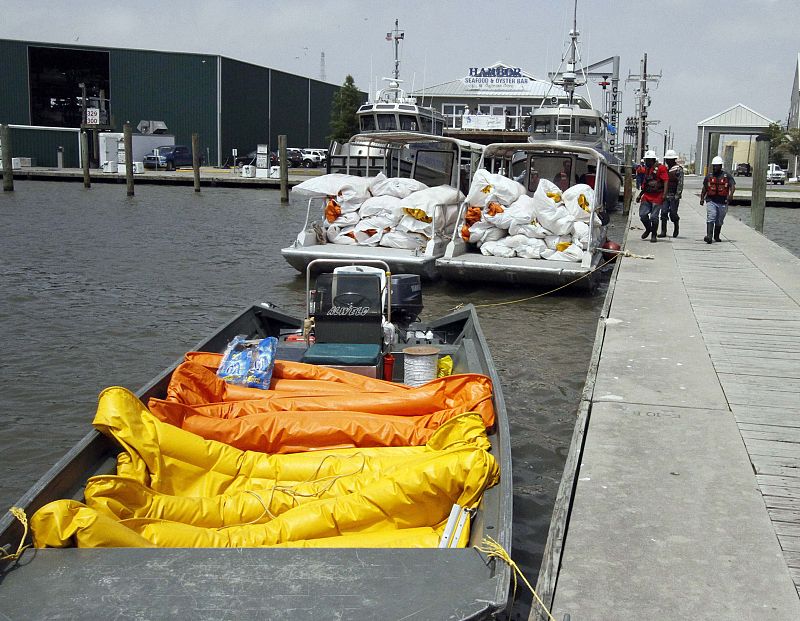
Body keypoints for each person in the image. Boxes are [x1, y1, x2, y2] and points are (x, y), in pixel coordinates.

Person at [699, 155, 735, 244]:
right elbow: (704, 188)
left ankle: (716, 236)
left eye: (717, 165)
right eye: (714, 165)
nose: (715, 167)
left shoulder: (727, 176)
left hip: (723, 202)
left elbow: (732, 186)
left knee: (719, 220)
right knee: (711, 217)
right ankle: (709, 236)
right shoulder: (709, 176)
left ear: (721, 166)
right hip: (711, 200)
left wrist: (731, 194)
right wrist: (702, 198)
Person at [635, 150, 668, 243]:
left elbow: (666, 181)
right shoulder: (647, 169)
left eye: (647, 160)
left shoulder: (661, 168)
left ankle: (654, 235)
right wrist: (640, 195)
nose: (646, 162)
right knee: (642, 215)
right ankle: (648, 229)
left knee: (654, 217)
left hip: (657, 196)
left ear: (652, 160)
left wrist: (664, 194)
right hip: (647, 195)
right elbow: (646, 183)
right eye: (645, 160)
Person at [659, 149, 683, 238]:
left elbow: (680, 183)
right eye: (667, 159)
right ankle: (663, 231)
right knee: (663, 212)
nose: (668, 161)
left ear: (673, 159)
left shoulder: (678, 169)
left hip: (674, 195)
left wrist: (678, 195)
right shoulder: (665, 169)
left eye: (669, 159)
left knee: (673, 213)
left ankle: (676, 225)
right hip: (665, 194)